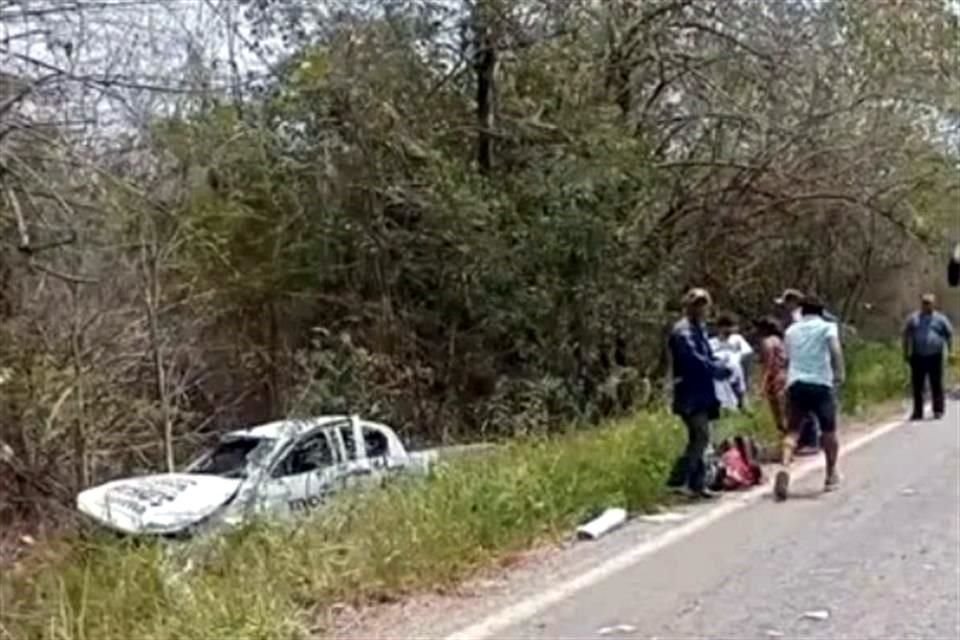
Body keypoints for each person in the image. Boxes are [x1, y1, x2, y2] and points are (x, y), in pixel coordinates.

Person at [774, 294, 845, 501]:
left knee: (793, 430)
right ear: (821, 311)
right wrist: (840, 373)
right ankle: (831, 473)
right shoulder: (827, 327)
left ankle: (785, 467)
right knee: (828, 430)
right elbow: (835, 349)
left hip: (796, 384)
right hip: (821, 383)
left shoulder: (790, 331)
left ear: (802, 311)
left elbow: (786, 358)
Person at [666, 288, 732, 499]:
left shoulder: (700, 329)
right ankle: (678, 480)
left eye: (704, 304)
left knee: (702, 437)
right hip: (689, 392)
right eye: (696, 304)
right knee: (701, 435)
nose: (701, 308)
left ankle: (697, 484)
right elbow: (693, 360)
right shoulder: (682, 331)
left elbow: (707, 356)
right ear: (688, 306)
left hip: (704, 391)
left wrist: (720, 364)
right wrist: (715, 369)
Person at [903, 293, 953, 420]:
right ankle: (917, 412)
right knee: (917, 385)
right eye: (924, 303)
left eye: (929, 303)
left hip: (935, 356)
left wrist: (950, 350)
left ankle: (938, 410)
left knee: (936, 383)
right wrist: (906, 352)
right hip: (918, 356)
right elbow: (906, 335)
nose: (926, 305)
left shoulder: (940, 319)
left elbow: (949, 334)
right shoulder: (914, 318)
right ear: (921, 304)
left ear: (933, 304)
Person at [710, 313, 753, 410]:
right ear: (719, 328)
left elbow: (747, 353)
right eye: (727, 327)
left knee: (737, 377)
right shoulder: (711, 342)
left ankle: (743, 403)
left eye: (732, 326)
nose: (730, 330)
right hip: (719, 372)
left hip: (736, 370)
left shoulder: (737, 339)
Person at [756, 316, 788, 433]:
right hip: (785, 375)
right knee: (787, 409)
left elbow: (767, 366)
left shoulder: (767, 342)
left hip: (774, 379)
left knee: (779, 413)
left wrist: (762, 386)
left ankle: (787, 438)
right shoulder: (779, 340)